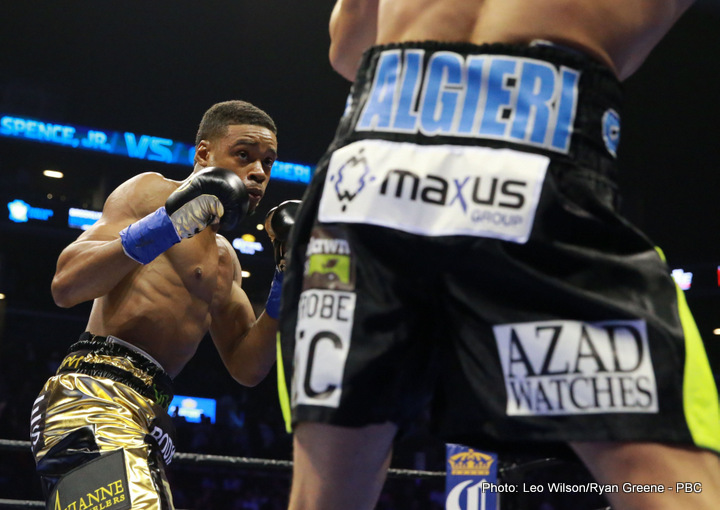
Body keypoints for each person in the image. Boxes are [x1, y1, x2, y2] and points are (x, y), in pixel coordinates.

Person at [276, 2, 720, 510]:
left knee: (326, 497)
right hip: (538, 143)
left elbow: (348, 47)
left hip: (371, 161)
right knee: (673, 487)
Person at [30, 100, 288, 509]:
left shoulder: (225, 260)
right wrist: (167, 225)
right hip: (95, 394)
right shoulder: (152, 192)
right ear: (204, 153)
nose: (258, 171)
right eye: (244, 155)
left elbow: (247, 367)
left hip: (152, 418)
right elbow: (66, 285)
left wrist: (285, 284)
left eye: (269, 162)